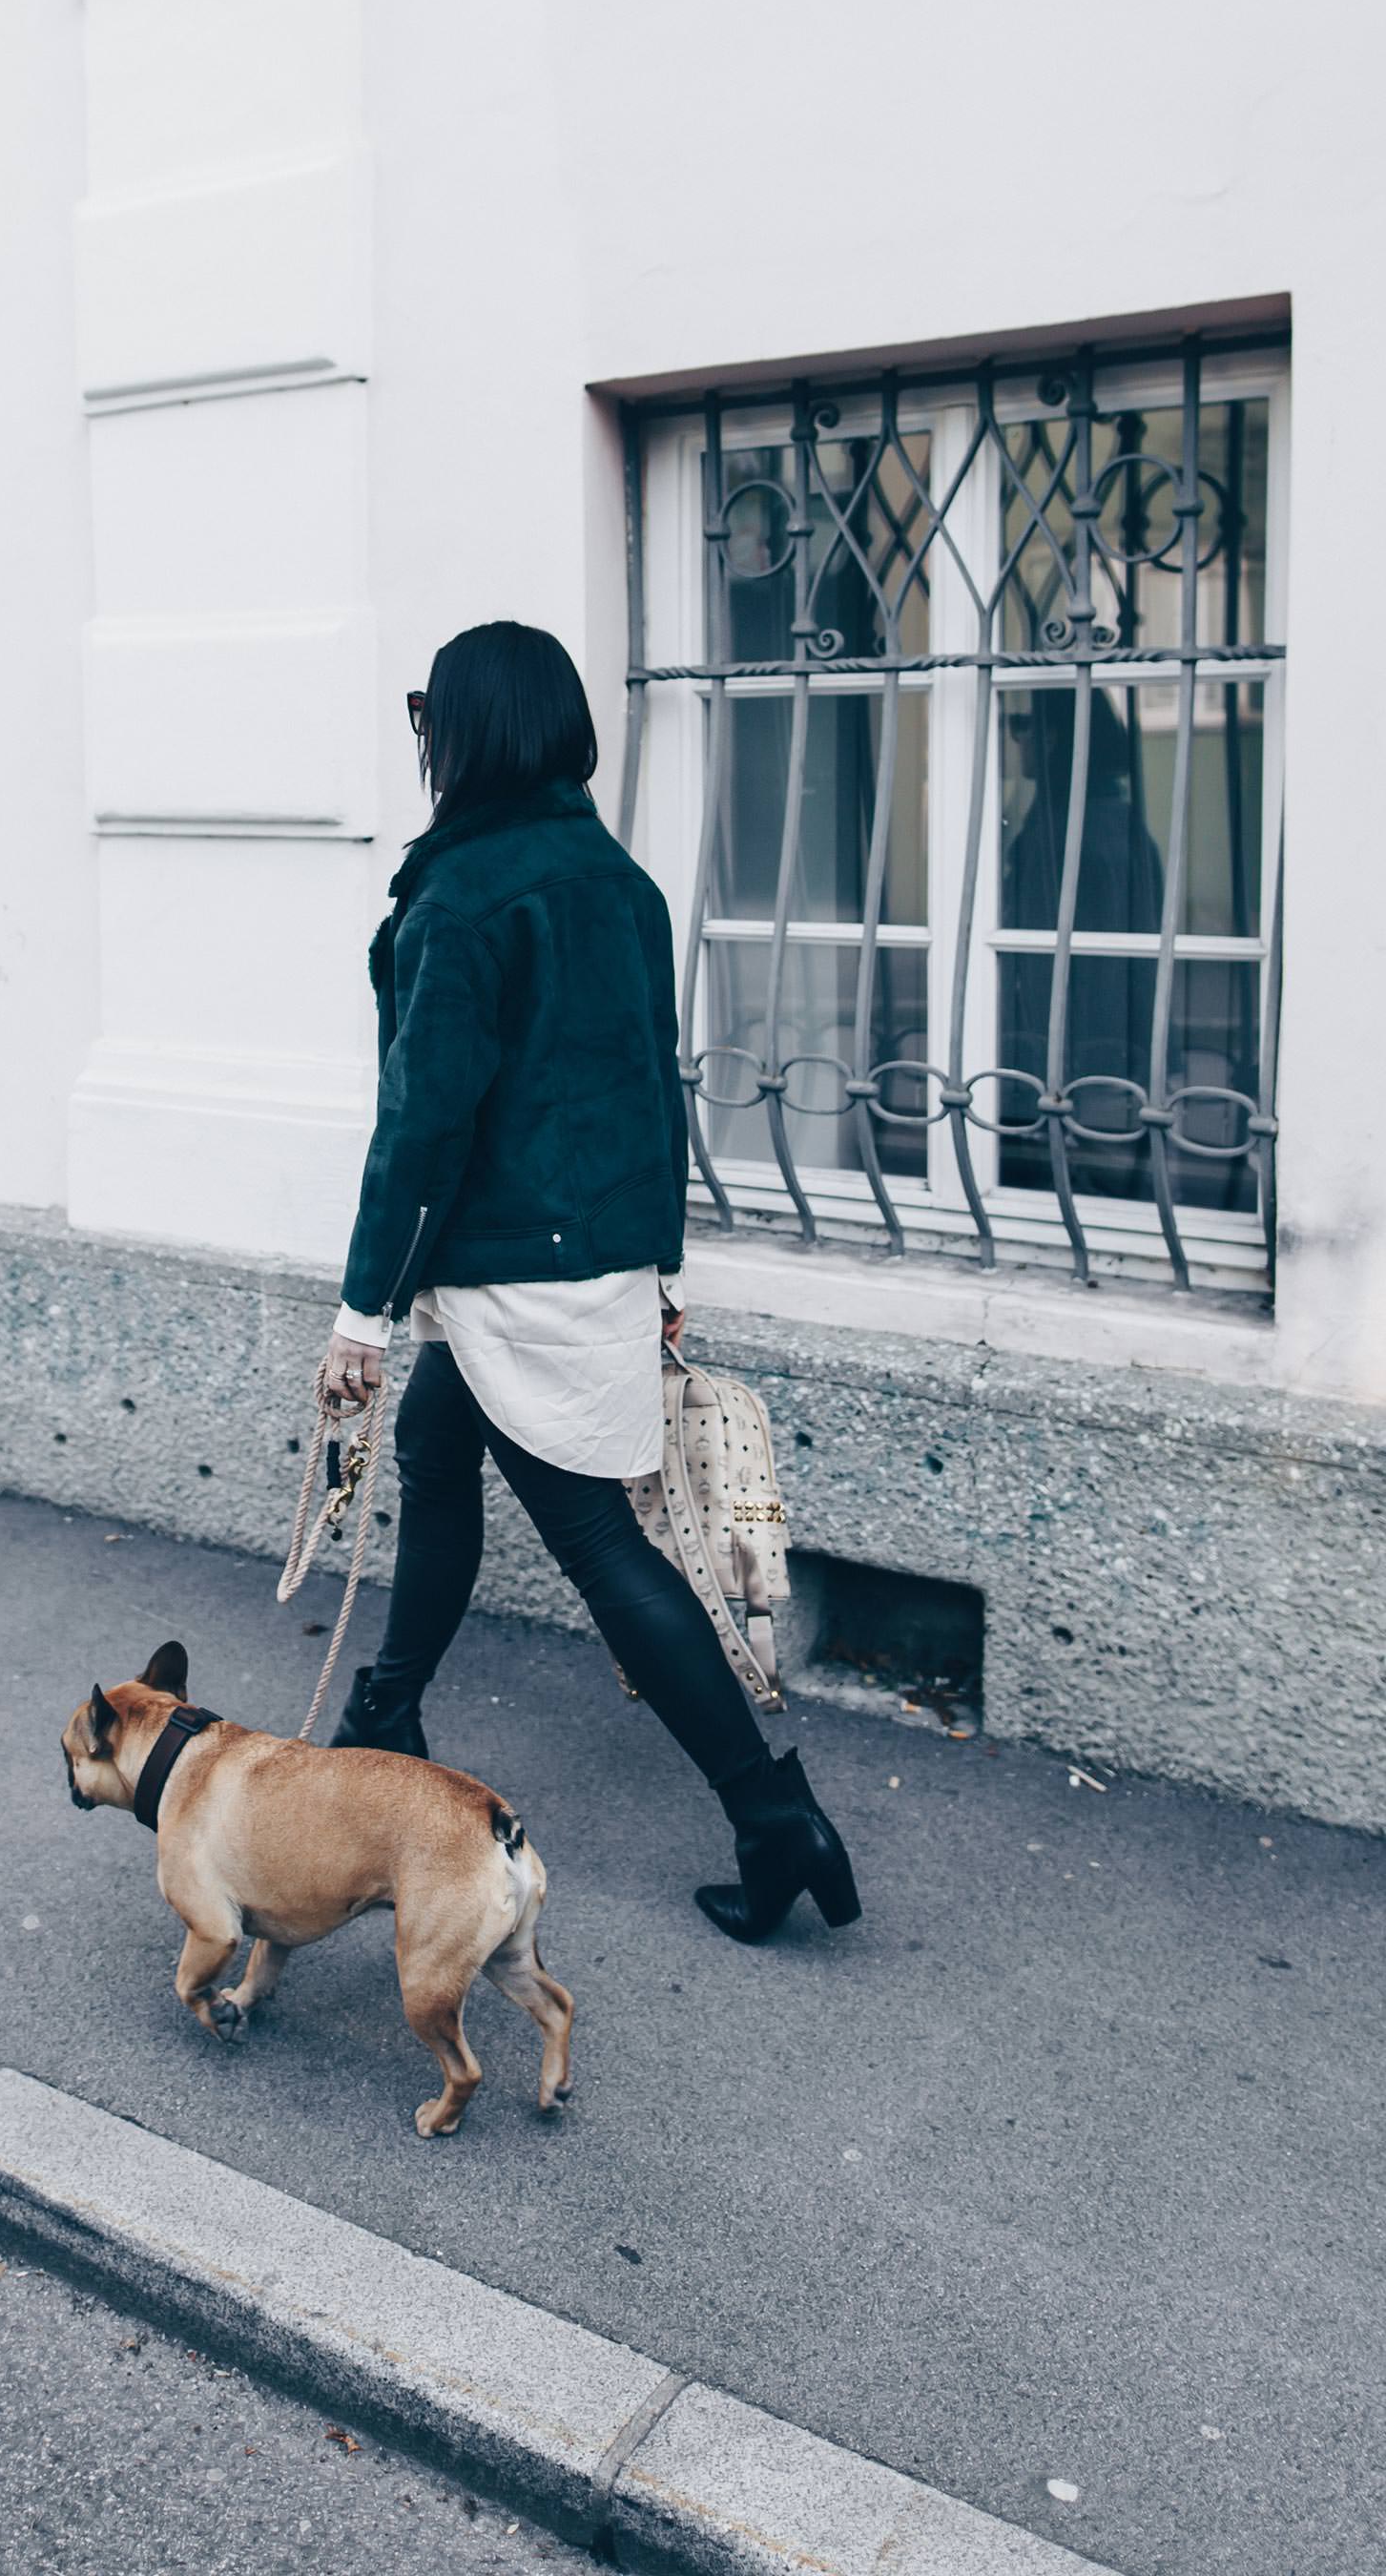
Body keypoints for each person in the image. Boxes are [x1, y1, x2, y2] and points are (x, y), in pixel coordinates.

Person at [321, 620, 859, 1943]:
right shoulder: (614, 879)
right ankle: (387, 1711)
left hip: (519, 1271)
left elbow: (424, 1122)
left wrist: (361, 1315)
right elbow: (639, 1090)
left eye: (424, 715)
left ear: (467, 732)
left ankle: (775, 1818)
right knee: (439, 1446)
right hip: (587, 1259)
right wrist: (657, 1263)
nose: (421, 738)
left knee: (604, 1547)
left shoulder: (465, 894)